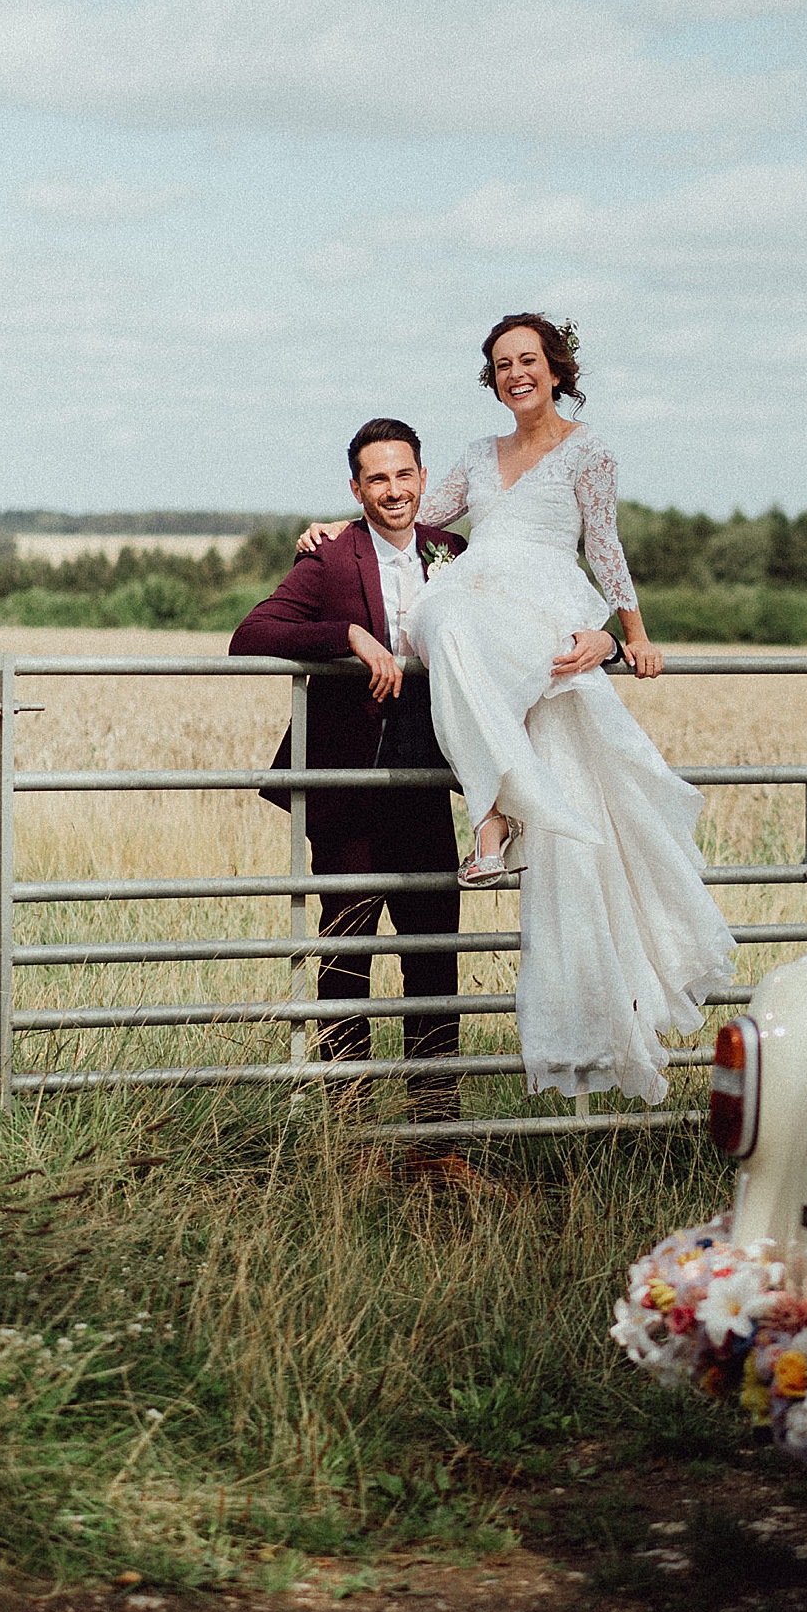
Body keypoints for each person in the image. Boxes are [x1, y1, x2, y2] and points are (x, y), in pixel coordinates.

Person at [298, 317, 733, 1105]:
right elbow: (420, 519)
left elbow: (604, 545)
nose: (515, 374)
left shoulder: (588, 451)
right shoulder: (475, 457)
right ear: (491, 377)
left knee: (469, 640)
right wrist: (340, 527)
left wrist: (623, 634)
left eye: (527, 360)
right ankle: (495, 812)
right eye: (501, 364)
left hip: (543, 608)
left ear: (555, 368)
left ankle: (496, 813)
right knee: (448, 625)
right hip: (473, 600)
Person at [230, 418, 474, 1156]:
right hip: (349, 787)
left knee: (434, 955)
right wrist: (347, 636)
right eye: (377, 479)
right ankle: (354, 1137)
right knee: (347, 957)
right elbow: (252, 631)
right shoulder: (331, 559)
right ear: (355, 488)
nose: (393, 491)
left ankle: (437, 1139)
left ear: (424, 479)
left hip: (429, 778)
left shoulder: (456, 553)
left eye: (404, 476)